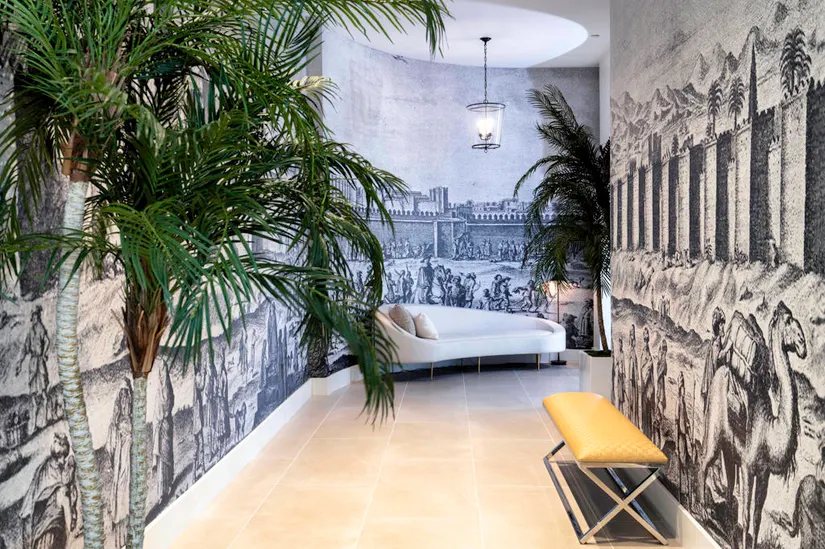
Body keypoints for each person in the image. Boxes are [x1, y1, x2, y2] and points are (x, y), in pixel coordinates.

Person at [21, 433, 77, 549]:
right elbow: (38, 497)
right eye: (59, 456)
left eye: (64, 456)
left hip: (57, 524)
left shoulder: (64, 472)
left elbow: (70, 494)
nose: (62, 461)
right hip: (45, 524)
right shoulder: (46, 470)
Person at [106, 379, 132, 547]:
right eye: (121, 394)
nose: (124, 398)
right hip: (119, 458)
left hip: (128, 456)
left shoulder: (131, 416)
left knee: (126, 482)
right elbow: (110, 444)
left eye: (126, 394)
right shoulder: (115, 422)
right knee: (120, 483)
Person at [20, 306, 51, 430]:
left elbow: (47, 341)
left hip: (39, 361)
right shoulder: (30, 332)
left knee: (43, 392)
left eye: (36, 316)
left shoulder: (40, 328)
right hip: (33, 362)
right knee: (33, 394)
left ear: (38, 317)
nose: (35, 318)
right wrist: (20, 362)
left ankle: (45, 418)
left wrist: (43, 354)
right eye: (33, 316)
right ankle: (35, 424)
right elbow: (25, 348)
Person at [153, 360, 175, 502]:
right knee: (162, 460)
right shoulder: (160, 391)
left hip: (165, 426)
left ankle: (167, 487)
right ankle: (162, 492)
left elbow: (166, 405)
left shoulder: (167, 390)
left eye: (163, 372)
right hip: (162, 427)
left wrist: (162, 418)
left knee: (166, 457)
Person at [640, 328, 655, 438]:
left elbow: (647, 368)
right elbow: (644, 368)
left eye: (647, 334)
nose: (646, 336)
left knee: (648, 412)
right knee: (646, 412)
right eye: (645, 334)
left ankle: (648, 434)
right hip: (645, 388)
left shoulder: (647, 351)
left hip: (648, 387)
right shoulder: (644, 351)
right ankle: (646, 433)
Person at [655, 339, 668, 446]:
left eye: (664, 349)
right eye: (663, 349)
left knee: (661, 404)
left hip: (661, 385)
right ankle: (660, 424)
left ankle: (661, 425)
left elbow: (665, 371)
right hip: (660, 386)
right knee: (660, 403)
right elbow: (660, 372)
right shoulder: (661, 357)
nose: (664, 351)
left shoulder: (663, 358)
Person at [628, 325, 640, 425]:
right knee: (632, 400)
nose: (632, 338)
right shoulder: (631, 352)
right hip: (631, 380)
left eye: (633, 335)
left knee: (634, 401)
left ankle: (634, 420)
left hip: (634, 381)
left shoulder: (634, 353)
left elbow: (635, 366)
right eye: (631, 335)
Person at [614, 337, 626, 413]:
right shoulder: (618, 354)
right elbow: (616, 364)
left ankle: (621, 409)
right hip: (619, 375)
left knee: (622, 393)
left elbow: (623, 365)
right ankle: (619, 408)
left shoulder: (622, 354)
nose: (620, 346)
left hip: (621, 375)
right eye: (619, 344)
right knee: (619, 392)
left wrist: (623, 373)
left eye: (620, 344)